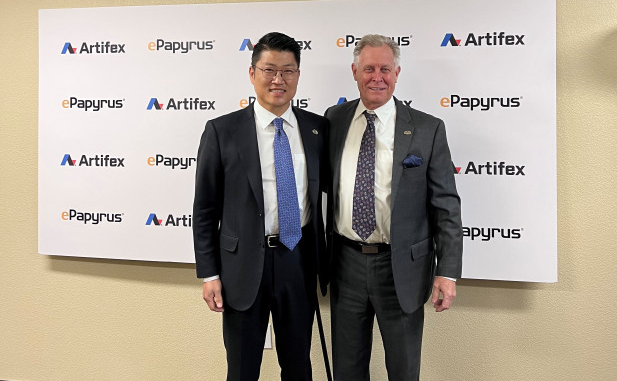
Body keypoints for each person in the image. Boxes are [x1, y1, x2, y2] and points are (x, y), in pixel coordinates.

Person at [325, 34, 463, 381]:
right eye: (369, 69)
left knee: (403, 371)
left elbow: (446, 205)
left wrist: (447, 272)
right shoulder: (334, 120)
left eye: (385, 69)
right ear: (354, 71)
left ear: (397, 73)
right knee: (346, 371)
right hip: (345, 264)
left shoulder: (427, 129)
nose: (377, 77)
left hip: (401, 268)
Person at [193, 32, 328, 381]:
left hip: (298, 261)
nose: (278, 80)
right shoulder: (222, 131)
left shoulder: (317, 129)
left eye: (287, 71)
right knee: (242, 369)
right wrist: (210, 274)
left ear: (298, 75)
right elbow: (205, 210)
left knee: (298, 367)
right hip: (243, 267)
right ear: (252, 74)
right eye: (269, 70)